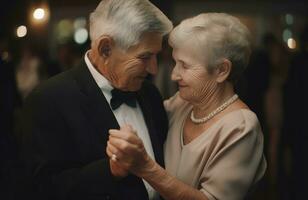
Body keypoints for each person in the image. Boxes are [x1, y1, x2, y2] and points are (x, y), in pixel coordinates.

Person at [16, 0, 172, 200]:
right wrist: (111, 169)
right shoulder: (47, 100)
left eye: (156, 56)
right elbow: (42, 188)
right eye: (144, 57)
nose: (153, 69)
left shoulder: (150, 93)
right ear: (105, 48)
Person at [107, 13, 267, 200]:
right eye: (175, 63)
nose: (174, 75)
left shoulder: (241, 127)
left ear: (221, 70)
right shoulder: (182, 103)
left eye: (185, 66)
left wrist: (146, 168)